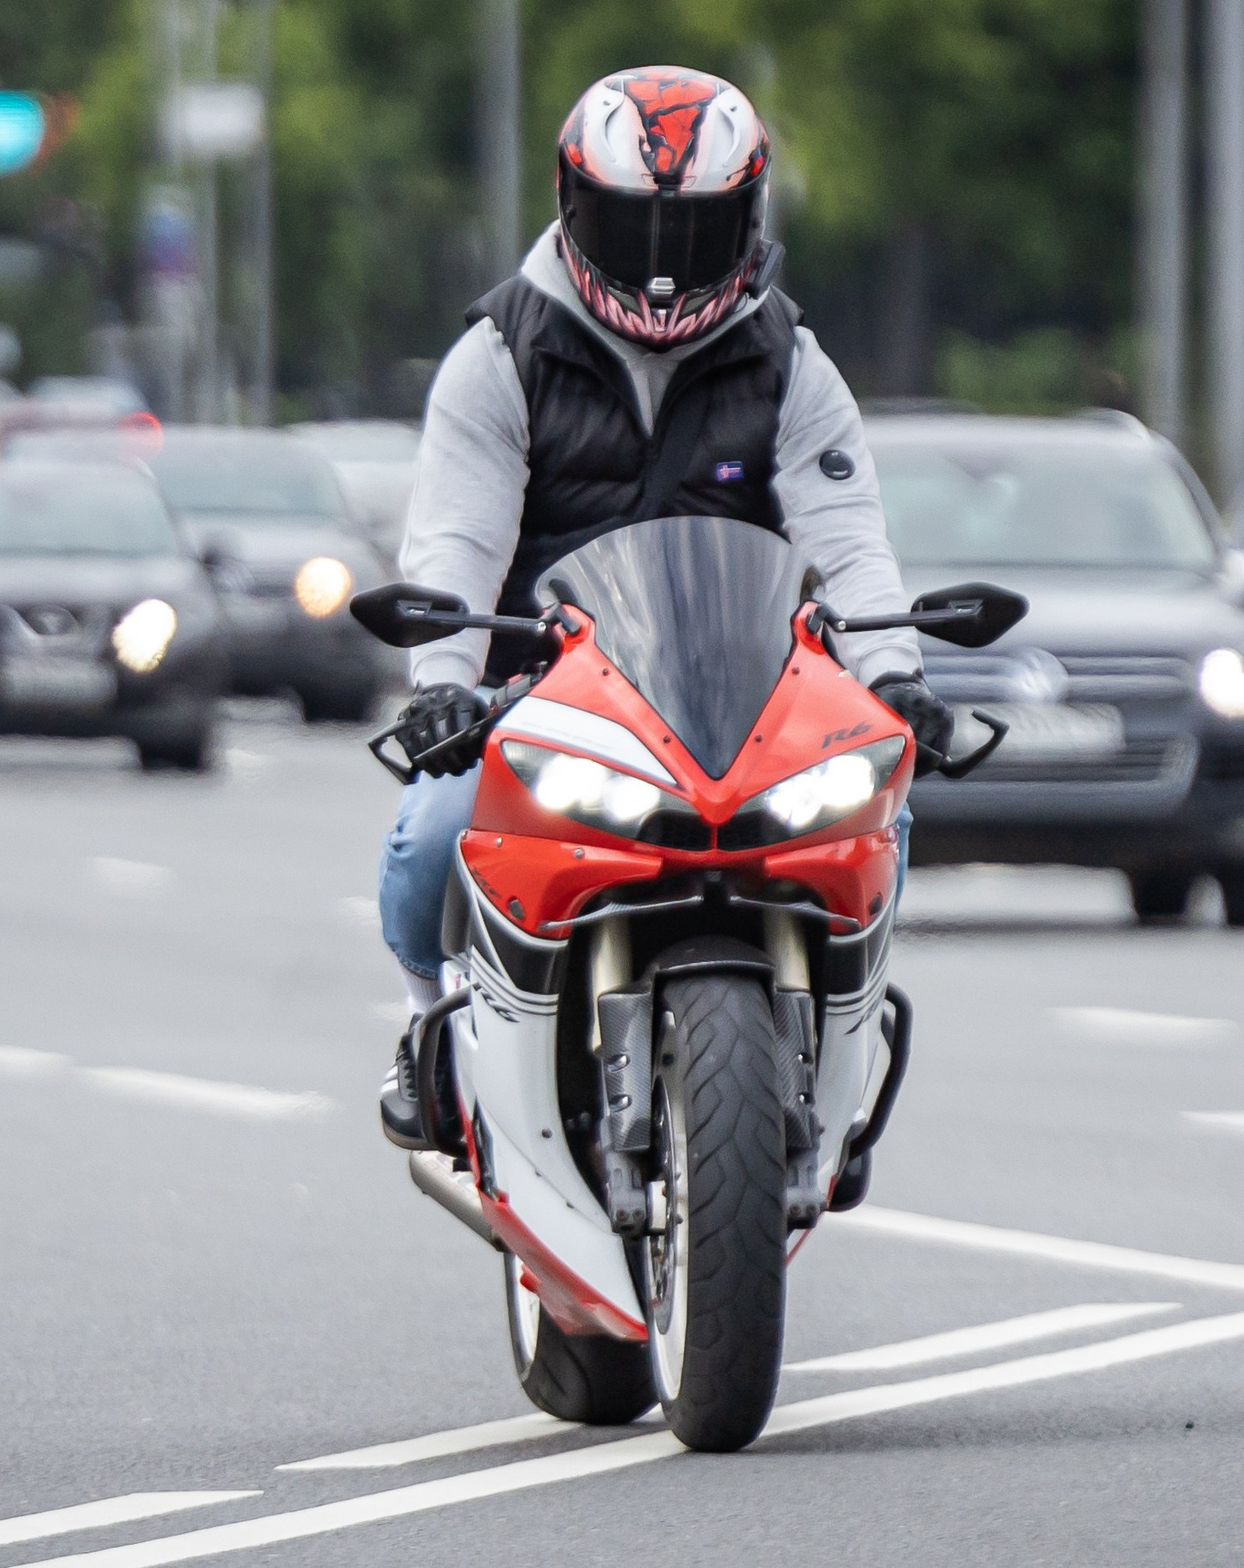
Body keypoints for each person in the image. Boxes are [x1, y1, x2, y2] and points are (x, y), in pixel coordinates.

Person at [376, 65, 952, 1147]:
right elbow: (455, 541)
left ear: (747, 216)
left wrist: (896, 681)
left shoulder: (794, 364)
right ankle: (424, 1029)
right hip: (546, 691)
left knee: (880, 798)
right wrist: (441, 690)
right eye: (632, 227)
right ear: (569, 202)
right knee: (429, 838)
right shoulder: (497, 357)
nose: (656, 269)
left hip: (745, 689)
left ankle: (841, 1031)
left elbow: (848, 536)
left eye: (689, 233)